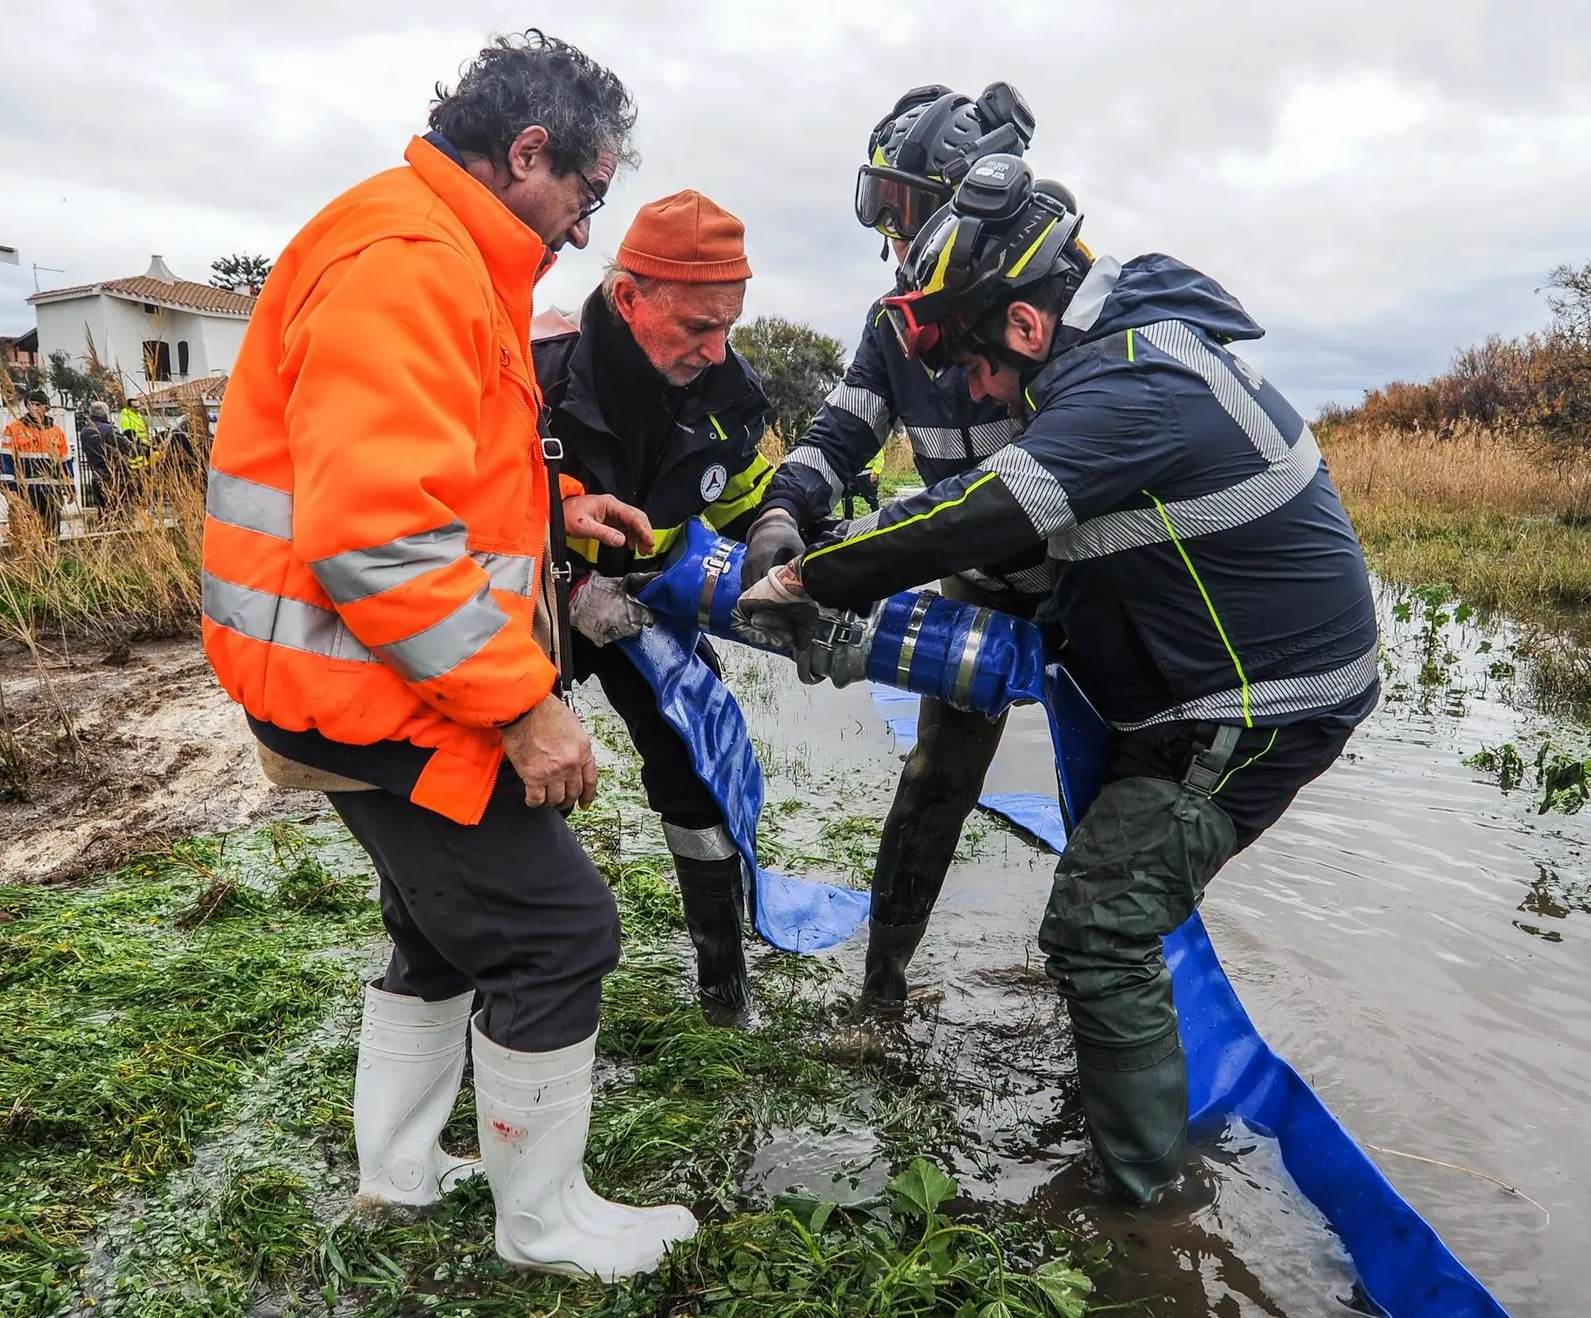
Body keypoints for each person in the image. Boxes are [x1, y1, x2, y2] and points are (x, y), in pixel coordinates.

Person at [736, 154, 1380, 1206]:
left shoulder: (1130, 381)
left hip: (1259, 706)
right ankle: (1123, 1098)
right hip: (1199, 682)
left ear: (1027, 331)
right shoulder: (1119, 352)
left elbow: (989, 508)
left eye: (980, 371)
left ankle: (1145, 1208)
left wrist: (813, 576)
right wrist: (866, 610)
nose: (978, 394)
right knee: (1111, 903)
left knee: (1099, 918)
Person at [199, 30, 697, 1280]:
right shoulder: (409, 262)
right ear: (526, 152)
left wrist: (552, 510)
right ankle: (545, 1223)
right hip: (365, 687)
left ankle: (402, 1172)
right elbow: (373, 537)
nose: (585, 230)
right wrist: (526, 706)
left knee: (438, 929)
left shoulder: (431, 246)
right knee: (560, 932)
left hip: (345, 677)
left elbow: (430, 476)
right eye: (584, 195)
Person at [740, 83, 1044, 1009]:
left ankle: (1091, 975)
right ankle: (881, 991)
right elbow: (838, 437)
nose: (890, 238)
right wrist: (781, 516)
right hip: (978, 581)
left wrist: (845, 562)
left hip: (1089, 579)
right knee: (937, 778)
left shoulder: (1041, 306)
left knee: (1114, 788)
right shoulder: (891, 325)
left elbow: (1016, 496)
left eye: (901, 210)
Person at [532, 189, 770, 1020]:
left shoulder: (731, 392)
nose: (715, 350)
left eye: (728, 327)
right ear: (627, 296)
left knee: (699, 778)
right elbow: (461, 497)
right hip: (542, 613)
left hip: (644, 613)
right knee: (511, 782)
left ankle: (723, 989)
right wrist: (557, 525)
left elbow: (744, 490)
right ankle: (496, 971)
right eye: (696, 329)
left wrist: (778, 527)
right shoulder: (537, 369)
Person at [0, 390, 73, 538]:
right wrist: (8, 486)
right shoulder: (14, 429)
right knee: (26, 533)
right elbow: (6, 458)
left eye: (40, 405)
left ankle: (52, 558)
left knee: (52, 532)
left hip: (51, 490)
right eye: (33, 405)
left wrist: (70, 486)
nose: (36, 408)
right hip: (24, 490)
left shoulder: (56, 432)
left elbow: (65, 461)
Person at [79, 399, 135, 514]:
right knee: (120, 512)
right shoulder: (109, 430)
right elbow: (128, 446)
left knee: (104, 512)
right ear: (105, 413)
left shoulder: (84, 432)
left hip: (96, 476)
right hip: (114, 477)